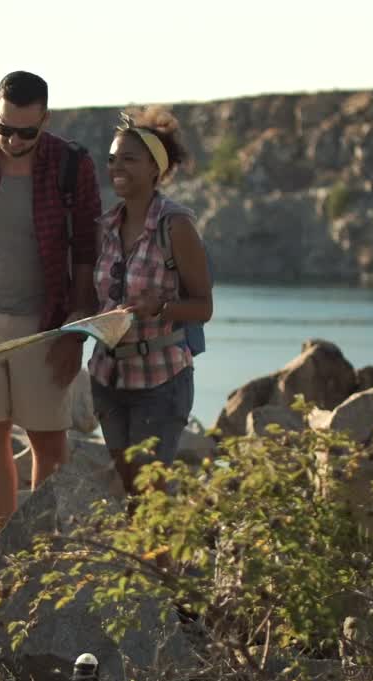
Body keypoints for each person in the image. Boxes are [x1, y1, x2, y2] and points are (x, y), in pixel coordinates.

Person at [0, 71, 102, 534]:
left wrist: (76, 332)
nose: (11, 139)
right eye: (2, 127)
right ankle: (2, 533)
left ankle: (41, 542)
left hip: (46, 323)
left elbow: (87, 252)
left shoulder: (72, 166)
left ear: (45, 121)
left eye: (25, 132)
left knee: (49, 440)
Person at [89, 107, 212, 494]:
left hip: (162, 381)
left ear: (154, 169)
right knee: (129, 489)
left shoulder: (175, 226)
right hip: (107, 378)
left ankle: (163, 558)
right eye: (111, 159)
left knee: (151, 494)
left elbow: (203, 307)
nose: (116, 167)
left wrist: (158, 308)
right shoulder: (105, 227)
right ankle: (145, 558)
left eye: (129, 158)